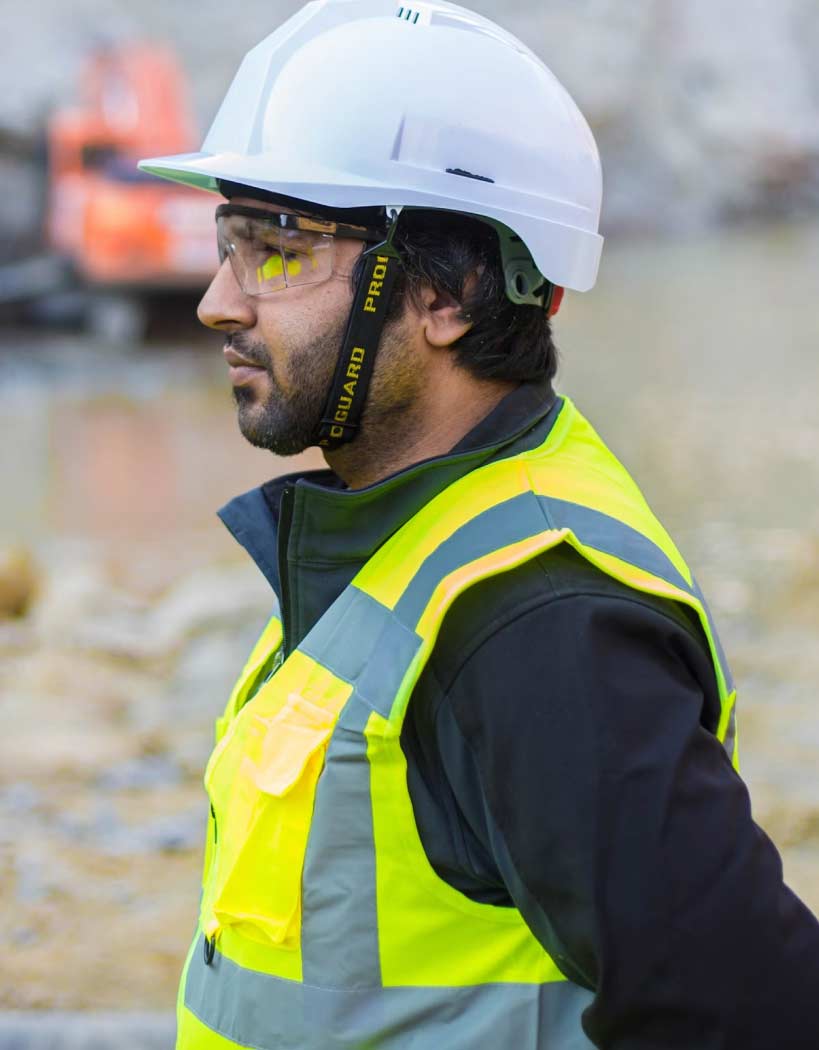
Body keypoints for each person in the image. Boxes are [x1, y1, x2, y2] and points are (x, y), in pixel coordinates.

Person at [139, 2, 819, 1047]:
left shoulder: (536, 619)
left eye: (277, 249)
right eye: (229, 245)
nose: (219, 303)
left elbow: (743, 1009)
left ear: (446, 293)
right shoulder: (408, 533)